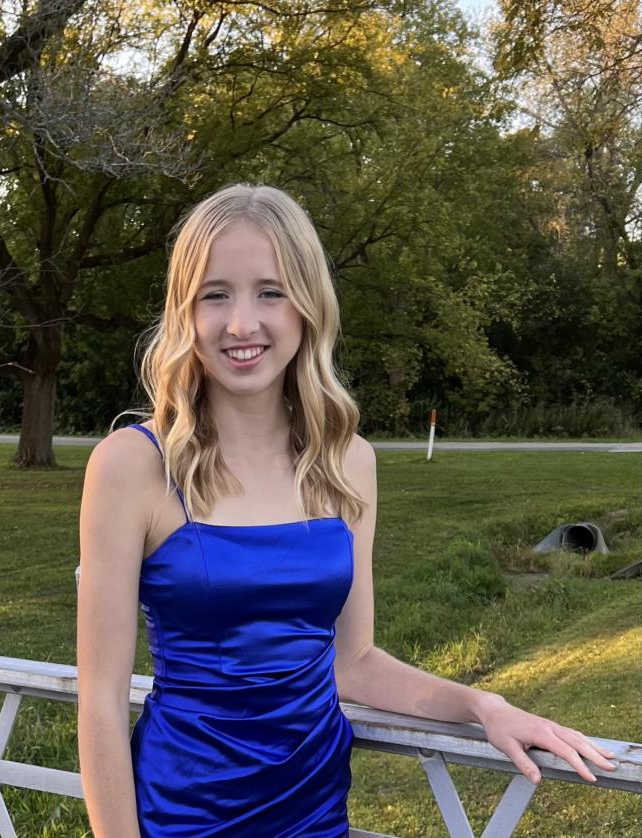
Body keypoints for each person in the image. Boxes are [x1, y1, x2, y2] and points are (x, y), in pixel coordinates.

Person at [76, 183, 616, 837]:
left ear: (308, 305)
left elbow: (353, 662)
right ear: (184, 311)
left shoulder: (346, 462)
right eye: (214, 294)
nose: (241, 324)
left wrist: (483, 706)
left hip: (313, 811)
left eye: (270, 292)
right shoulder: (132, 466)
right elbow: (101, 699)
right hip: (183, 816)